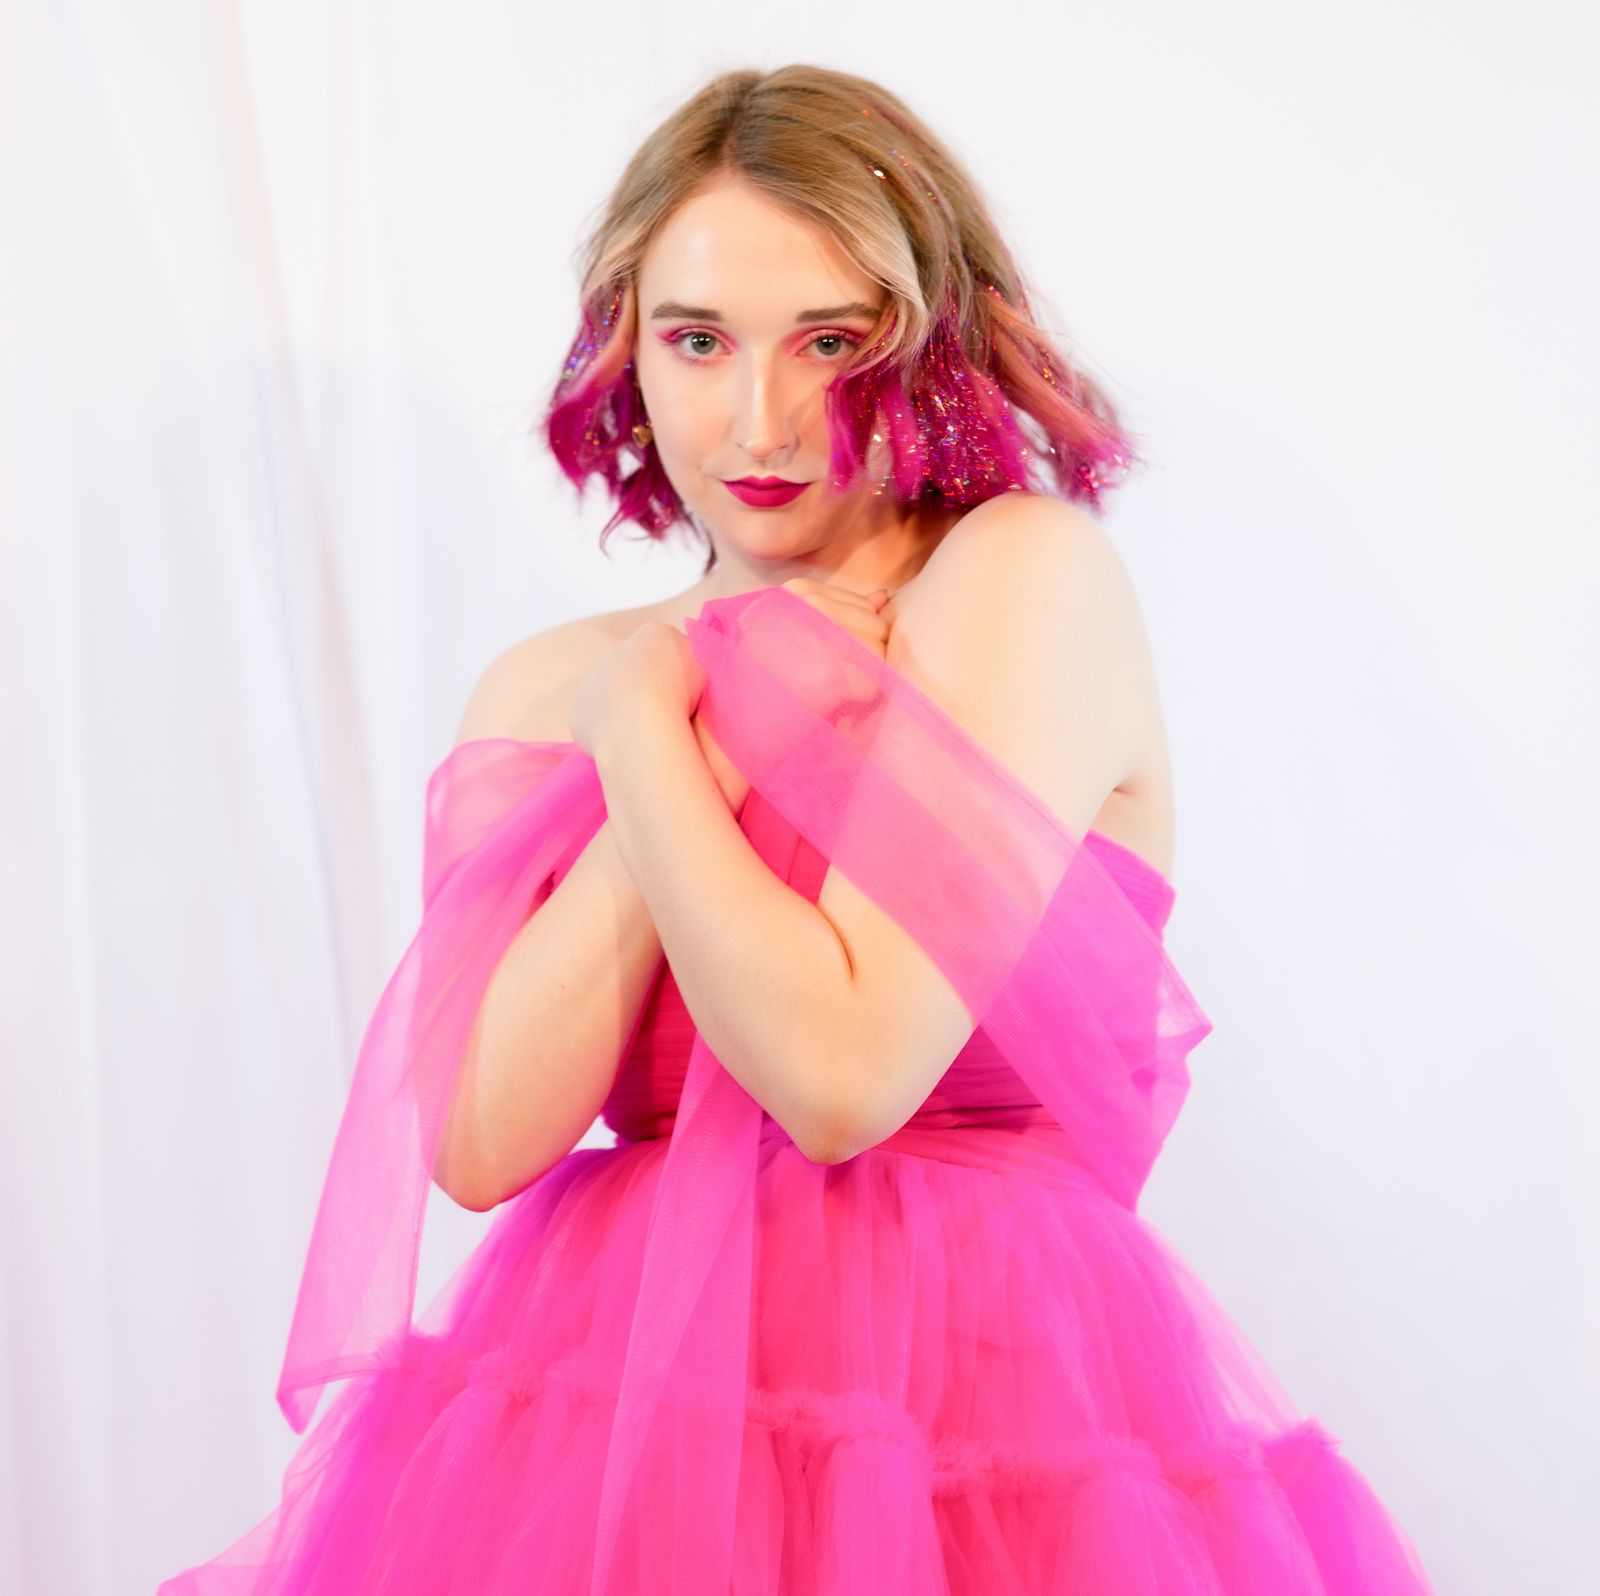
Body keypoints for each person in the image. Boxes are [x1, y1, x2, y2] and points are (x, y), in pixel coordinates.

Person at [160, 64, 1436, 1594]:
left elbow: (844, 1074)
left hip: (988, 1445)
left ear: (932, 342)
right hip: (607, 1450)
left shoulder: (1014, 580)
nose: (758, 419)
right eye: (698, 340)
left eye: (831, 342)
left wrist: (655, 734)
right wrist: (680, 727)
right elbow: (483, 1141)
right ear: (627, 343)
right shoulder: (567, 685)